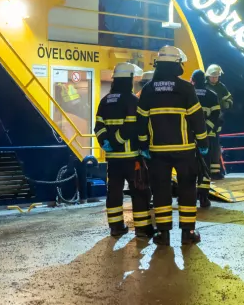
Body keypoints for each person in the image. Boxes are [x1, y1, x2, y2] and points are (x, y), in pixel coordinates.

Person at [137, 46, 208, 246]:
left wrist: (143, 144)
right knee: (187, 189)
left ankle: (163, 235)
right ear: (176, 64)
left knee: (160, 191)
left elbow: (141, 120)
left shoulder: (149, 89)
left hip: (157, 151)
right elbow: (197, 118)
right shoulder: (186, 88)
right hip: (184, 150)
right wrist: (203, 142)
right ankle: (188, 233)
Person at [95, 63, 152, 238]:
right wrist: (118, 141)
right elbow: (132, 126)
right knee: (140, 191)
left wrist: (105, 141)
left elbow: (98, 126)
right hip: (131, 157)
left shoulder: (105, 100)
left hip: (112, 158)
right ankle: (142, 229)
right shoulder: (133, 100)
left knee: (114, 192)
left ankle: (115, 226)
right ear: (128, 79)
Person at [192, 69, 223, 209]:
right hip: (207, 137)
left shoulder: (187, 93)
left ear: (193, 80)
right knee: (205, 167)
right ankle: (203, 198)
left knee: (189, 167)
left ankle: (189, 197)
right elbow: (216, 115)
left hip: (189, 138)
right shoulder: (212, 95)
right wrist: (207, 129)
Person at [205, 64, 232, 179]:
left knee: (215, 147)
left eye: (216, 77)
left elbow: (229, 99)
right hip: (205, 121)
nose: (215, 78)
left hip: (217, 121)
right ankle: (206, 171)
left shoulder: (222, 87)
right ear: (208, 76)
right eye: (213, 76)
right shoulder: (204, 86)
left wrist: (227, 104)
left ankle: (215, 172)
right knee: (207, 147)